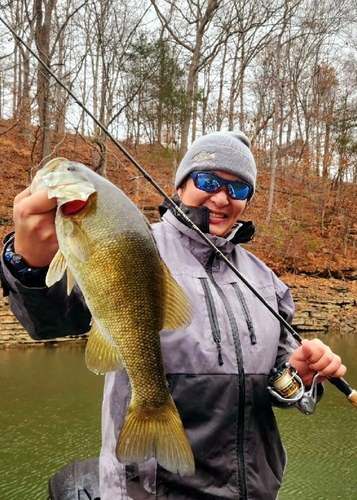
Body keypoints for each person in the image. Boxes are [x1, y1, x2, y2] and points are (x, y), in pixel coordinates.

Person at [1, 131, 346, 500]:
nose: (221, 197)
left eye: (238, 189)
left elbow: (280, 383)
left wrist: (297, 377)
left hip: (256, 490)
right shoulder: (129, 243)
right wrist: (29, 264)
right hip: (149, 492)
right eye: (209, 181)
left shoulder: (265, 280)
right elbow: (51, 322)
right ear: (181, 184)